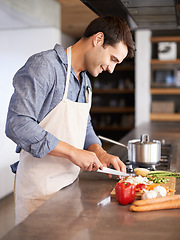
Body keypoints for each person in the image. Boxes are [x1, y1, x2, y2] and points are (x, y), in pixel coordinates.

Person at [5, 15, 135, 224]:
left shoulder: (85, 83)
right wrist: (73, 153)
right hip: (39, 191)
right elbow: (17, 124)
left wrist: (99, 152)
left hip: (70, 187)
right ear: (98, 39)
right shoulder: (45, 66)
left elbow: (84, 126)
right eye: (112, 59)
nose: (111, 69)